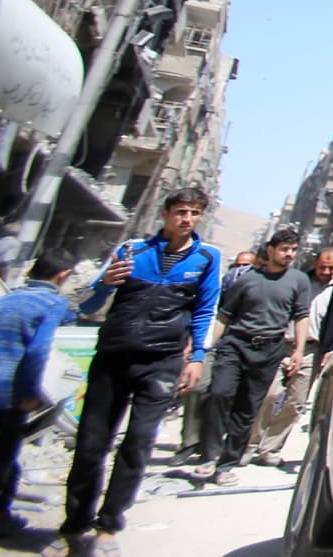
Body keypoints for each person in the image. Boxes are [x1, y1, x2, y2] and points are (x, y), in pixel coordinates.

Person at [54, 188, 221, 554]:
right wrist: (106, 282)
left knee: (139, 442)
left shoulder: (208, 258)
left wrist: (196, 358)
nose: (187, 219)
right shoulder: (132, 251)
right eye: (180, 211)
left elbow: (206, 310)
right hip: (113, 356)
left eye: (194, 213)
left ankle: (110, 522)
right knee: (90, 445)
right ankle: (74, 524)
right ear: (165, 214)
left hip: (161, 361)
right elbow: (90, 304)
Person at [193, 230, 310, 486]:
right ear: (270, 250)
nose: (289, 254)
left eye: (293, 249)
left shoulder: (299, 281)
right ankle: (209, 455)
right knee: (218, 394)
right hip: (235, 345)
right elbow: (224, 316)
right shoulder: (247, 280)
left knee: (247, 409)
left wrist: (298, 351)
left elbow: (301, 316)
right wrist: (205, 350)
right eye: (284, 249)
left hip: (268, 351)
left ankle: (226, 464)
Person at [0, 251, 74, 534]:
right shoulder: (53, 303)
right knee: (5, 457)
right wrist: (30, 391)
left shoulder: (7, 299)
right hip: (12, 392)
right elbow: (39, 351)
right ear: (63, 275)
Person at [246, 247, 333, 466]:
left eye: (331, 268)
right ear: (314, 264)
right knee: (269, 396)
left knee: (296, 401)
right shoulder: (298, 282)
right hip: (282, 345)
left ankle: (270, 448)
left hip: (312, 349)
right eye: (322, 267)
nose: (325, 272)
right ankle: (251, 444)